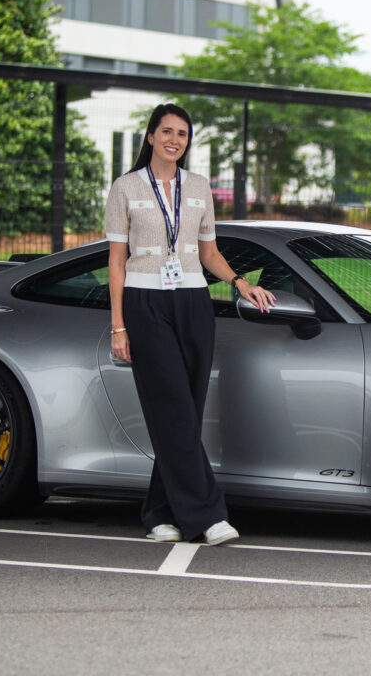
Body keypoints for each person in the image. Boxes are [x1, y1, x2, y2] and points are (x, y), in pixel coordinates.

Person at [105, 103, 275, 545]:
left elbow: (209, 253)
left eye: (182, 134)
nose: (174, 140)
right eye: (166, 131)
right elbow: (116, 261)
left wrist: (239, 283)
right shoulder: (125, 187)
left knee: (183, 413)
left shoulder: (197, 187)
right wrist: (118, 325)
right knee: (174, 409)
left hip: (194, 302)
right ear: (150, 137)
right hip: (145, 303)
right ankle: (206, 514)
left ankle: (160, 513)